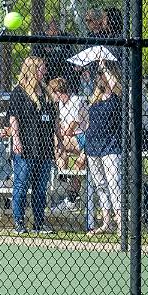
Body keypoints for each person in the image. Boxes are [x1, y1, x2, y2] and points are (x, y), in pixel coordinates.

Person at [9, 56, 58, 235]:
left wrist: (58, 141)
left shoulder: (46, 93)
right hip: (26, 147)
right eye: (41, 68)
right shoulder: (19, 92)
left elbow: (55, 121)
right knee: (21, 186)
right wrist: (16, 139)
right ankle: (19, 222)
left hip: (44, 147)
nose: (44, 71)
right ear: (32, 70)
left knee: (40, 188)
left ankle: (39, 222)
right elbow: (14, 118)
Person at [84, 59, 123, 235]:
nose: (99, 77)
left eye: (102, 74)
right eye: (98, 74)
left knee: (114, 183)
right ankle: (107, 223)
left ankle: (121, 222)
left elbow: (115, 84)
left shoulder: (118, 95)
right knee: (100, 184)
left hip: (111, 146)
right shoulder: (94, 99)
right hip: (93, 146)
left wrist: (104, 67)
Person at [48, 77, 88, 212]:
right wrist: (60, 134)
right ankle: (63, 178)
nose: (52, 96)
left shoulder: (77, 100)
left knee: (79, 163)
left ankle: (64, 183)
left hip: (84, 138)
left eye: (53, 93)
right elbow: (59, 128)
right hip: (71, 139)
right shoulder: (61, 104)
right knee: (58, 145)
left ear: (58, 92)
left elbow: (70, 127)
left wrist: (61, 134)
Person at [33, 19, 79, 94]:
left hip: (64, 75)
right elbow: (36, 58)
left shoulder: (65, 38)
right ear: (47, 31)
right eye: (52, 31)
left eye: (57, 31)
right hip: (48, 76)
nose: (55, 33)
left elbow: (71, 55)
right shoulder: (41, 38)